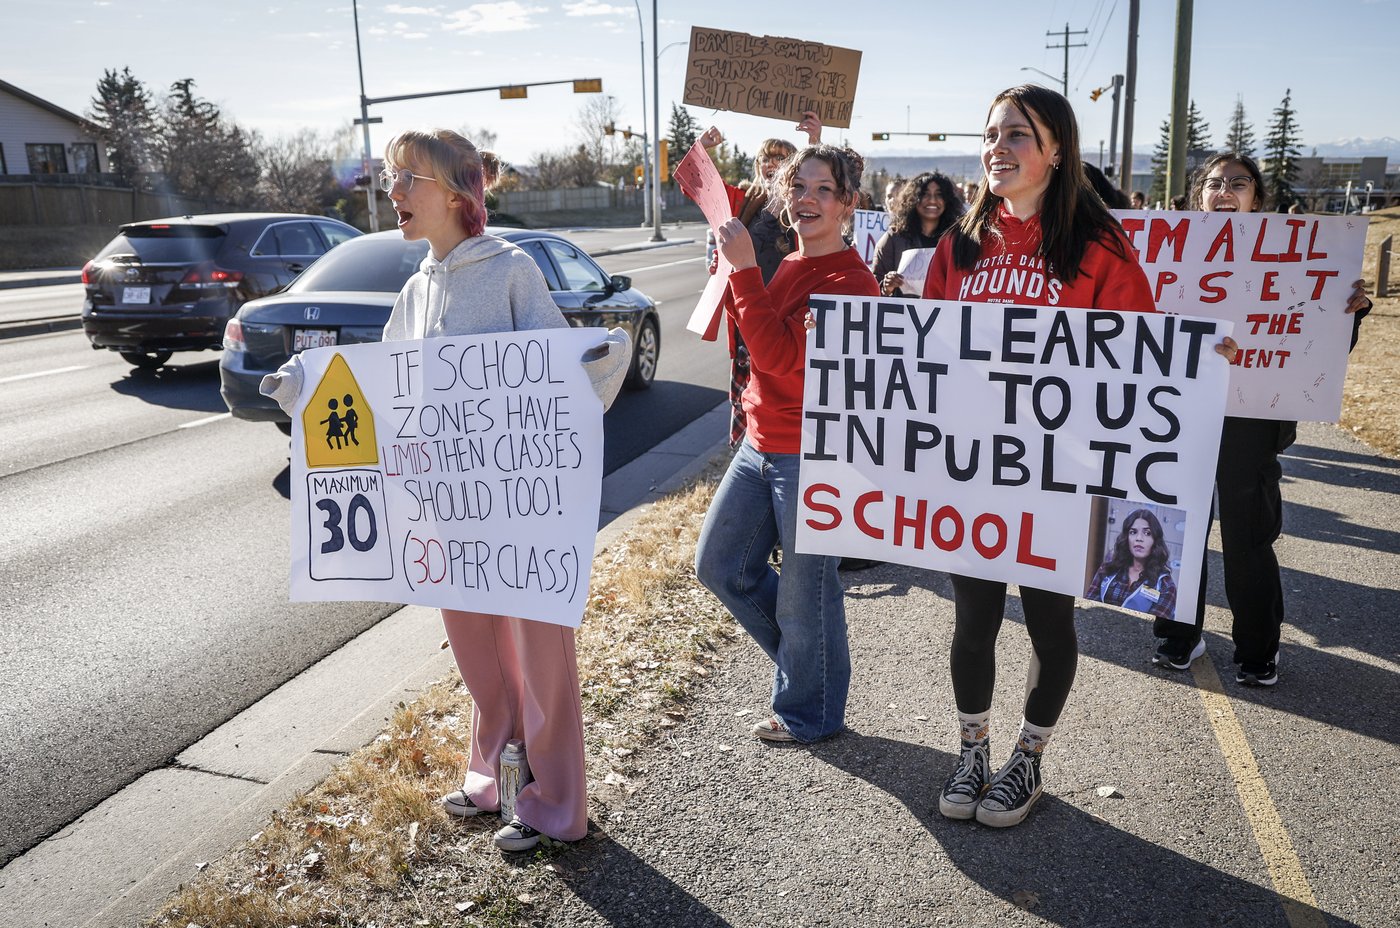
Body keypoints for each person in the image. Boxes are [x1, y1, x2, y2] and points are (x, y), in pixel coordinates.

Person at [261, 129, 630, 853]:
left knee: (540, 656)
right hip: (447, 509)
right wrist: (306, 388)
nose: (392, 193)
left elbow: (561, 378)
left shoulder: (513, 270)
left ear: (459, 195)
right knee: (477, 651)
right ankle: (495, 775)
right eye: (392, 179)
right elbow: (381, 387)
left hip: (522, 514)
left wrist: (600, 356)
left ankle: (555, 802)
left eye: (408, 180)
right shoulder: (415, 290)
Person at [920, 85, 1222, 828]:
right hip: (974, 469)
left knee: (1050, 624)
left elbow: (1140, 358)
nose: (999, 147)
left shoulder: (1099, 247)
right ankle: (972, 751)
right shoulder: (958, 245)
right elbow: (920, 354)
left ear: (1056, 150)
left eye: (1018, 135)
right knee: (973, 618)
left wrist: (1205, 357)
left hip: (1062, 477)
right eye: (991, 133)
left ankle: (1029, 757)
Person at [1150, 151, 1372, 686]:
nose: (1224, 191)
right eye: (1214, 182)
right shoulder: (1165, 260)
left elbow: (1311, 350)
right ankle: (1178, 636)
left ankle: (1257, 649)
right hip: (1177, 419)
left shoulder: (1292, 261)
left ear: (1257, 198)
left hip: (1250, 424)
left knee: (1249, 540)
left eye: (1239, 183)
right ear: (1197, 194)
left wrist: (1347, 313)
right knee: (1177, 533)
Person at [694, 143, 879, 745]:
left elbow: (782, 363)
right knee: (720, 566)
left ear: (848, 203)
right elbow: (756, 336)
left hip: (811, 451)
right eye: (798, 186)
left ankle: (810, 708)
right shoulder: (793, 263)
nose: (806, 199)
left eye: (823, 189)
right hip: (761, 439)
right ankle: (811, 673)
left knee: (808, 594)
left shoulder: (853, 283)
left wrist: (745, 272)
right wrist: (729, 276)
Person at [695, 113, 823, 449]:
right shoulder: (744, 200)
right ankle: (747, 455)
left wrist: (814, 143)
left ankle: (780, 452)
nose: (773, 163)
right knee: (746, 399)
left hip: (789, 315)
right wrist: (703, 149)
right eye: (767, 157)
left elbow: (828, 195)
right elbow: (699, 185)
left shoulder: (801, 206)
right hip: (747, 315)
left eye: (782, 157)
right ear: (757, 165)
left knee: (784, 392)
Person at [872, 171, 965, 297]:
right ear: (912, 199)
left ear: (947, 200)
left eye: (939, 195)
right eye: (925, 194)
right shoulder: (894, 238)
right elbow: (872, 291)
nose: (932, 200)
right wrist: (887, 287)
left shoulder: (958, 240)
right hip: (902, 314)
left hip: (944, 315)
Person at [1086, 509, 1178, 620]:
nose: (1139, 538)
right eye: (1133, 532)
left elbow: (1150, 627)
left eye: (1147, 533)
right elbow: (1089, 610)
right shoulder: (1107, 569)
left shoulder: (1166, 585)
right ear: (1126, 538)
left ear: (1155, 541)